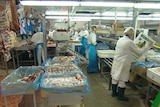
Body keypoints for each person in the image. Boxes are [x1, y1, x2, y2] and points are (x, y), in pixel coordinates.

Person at [111, 27, 153, 101]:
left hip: (117, 61)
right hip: (123, 63)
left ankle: (114, 93)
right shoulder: (129, 42)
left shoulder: (120, 40)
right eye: (132, 34)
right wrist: (148, 46)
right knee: (122, 79)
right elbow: (139, 52)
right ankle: (120, 96)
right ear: (130, 34)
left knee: (115, 77)